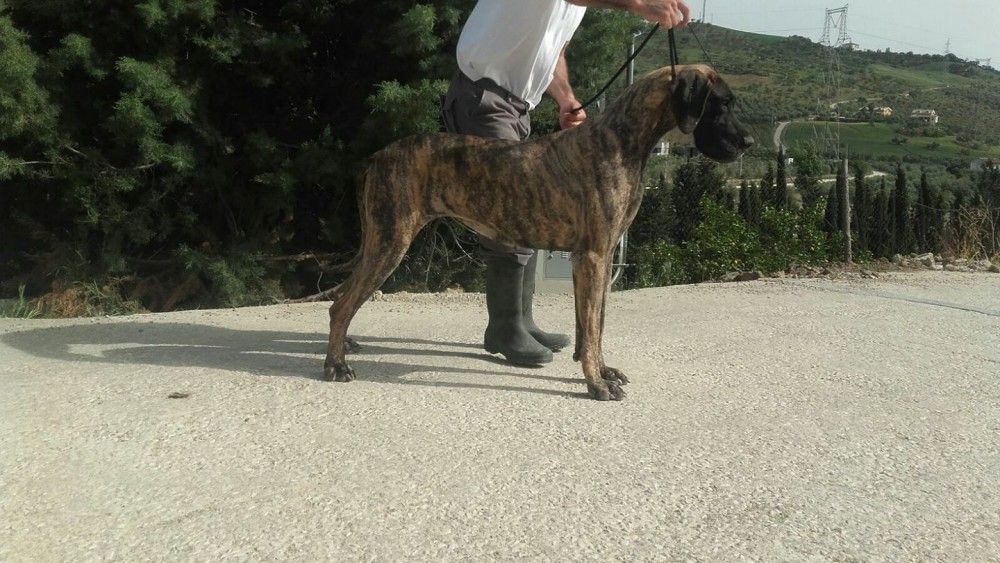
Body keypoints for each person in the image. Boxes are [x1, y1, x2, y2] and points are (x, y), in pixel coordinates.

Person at [442, 0, 690, 366]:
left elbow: (552, 51)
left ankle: (522, 321)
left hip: (515, 105)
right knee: (511, 213)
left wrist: (566, 98)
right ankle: (505, 328)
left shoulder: (576, 7)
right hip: (483, 97)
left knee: (528, 210)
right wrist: (640, 5)